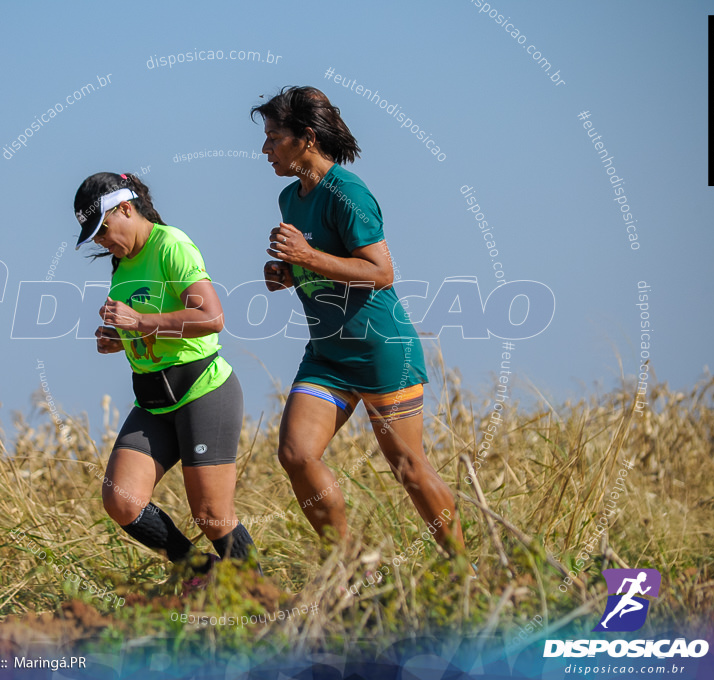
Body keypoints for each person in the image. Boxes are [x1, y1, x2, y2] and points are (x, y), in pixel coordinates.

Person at [250, 87, 466, 555]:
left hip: (379, 350)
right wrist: (288, 272)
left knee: (408, 468)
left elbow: (381, 272)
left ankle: (465, 573)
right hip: (327, 356)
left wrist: (307, 254)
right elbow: (324, 264)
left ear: (305, 138)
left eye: (272, 138)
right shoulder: (290, 198)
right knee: (296, 454)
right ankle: (348, 569)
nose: (264, 149)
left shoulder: (347, 192)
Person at [72, 171, 256, 574]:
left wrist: (138, 322)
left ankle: (259, 597)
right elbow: (146, 327)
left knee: (211, 513)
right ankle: (201, 573)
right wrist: (119, 339)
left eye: (103, 230)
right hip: (153, 401)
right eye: (95, 237)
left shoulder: (171, 244)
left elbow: (211, 316)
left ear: (125, 209)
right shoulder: (120, 263)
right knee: (121, 500)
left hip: (202, 392)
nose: (102, 242)